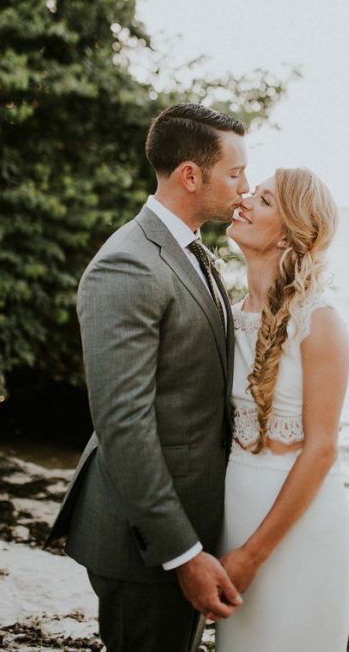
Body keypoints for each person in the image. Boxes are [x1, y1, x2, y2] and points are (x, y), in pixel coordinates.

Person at [45, 103, 249, 652]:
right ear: (191, 174)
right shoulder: (128, 264)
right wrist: (182, 552)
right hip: (146, 542)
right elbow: (123, 423)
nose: (245, 186)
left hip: (192, 513)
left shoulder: (191, 252)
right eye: (236, 172)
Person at [215, 168, 349, 652]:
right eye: (254, 191)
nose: (246, 198)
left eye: (265, 199)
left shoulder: (319, 321)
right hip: (236, 512)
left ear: (289, 233)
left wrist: (251, 556)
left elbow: (321, 450)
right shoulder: (227, 316)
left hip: (299, 528)